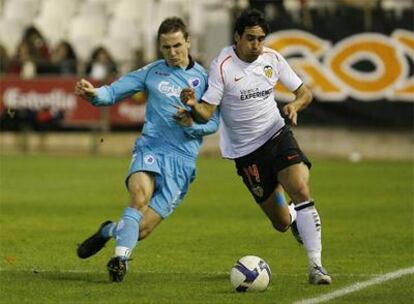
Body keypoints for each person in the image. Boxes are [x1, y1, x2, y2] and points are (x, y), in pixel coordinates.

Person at [180, 9, 332, 284]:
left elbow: (304, 93)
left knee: (299, 187)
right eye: (250, 38)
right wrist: (193, 107)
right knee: (281, 222)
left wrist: (295, 105)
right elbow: (207, 111)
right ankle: (295, 217)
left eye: (261, 39)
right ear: (237, 37)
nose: (256, 45)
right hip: (246, 153)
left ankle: (316, 266)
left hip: (276, 135)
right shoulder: (223, 65)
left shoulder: (272, 59)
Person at [74, 17, 219, 282]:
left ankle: (108, 231)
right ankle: (120, 260)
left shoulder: (206, 79)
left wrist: (190, 124)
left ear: (188, 42)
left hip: (182, 161)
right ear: (159, 47)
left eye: (177, 45)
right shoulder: (153, 71)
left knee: (140, 231)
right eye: (166, 48)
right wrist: (94, 93)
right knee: (138, 199)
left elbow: (213, 124)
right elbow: (114, 91)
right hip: (150, 148)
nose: (172, 53)